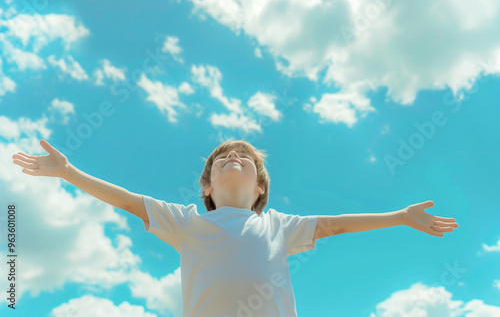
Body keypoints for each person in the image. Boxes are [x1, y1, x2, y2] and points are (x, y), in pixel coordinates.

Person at [12, 139, 459, 317]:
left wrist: (400, 216)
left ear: (260, 187)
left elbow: (337, 225)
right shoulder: (187, 221)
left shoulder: (278, 225)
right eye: (221, 158)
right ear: (206, 184)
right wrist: (69, 173)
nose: (232, 158)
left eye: (244, 158)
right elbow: (126, 199)